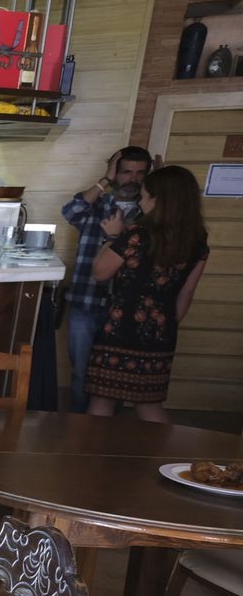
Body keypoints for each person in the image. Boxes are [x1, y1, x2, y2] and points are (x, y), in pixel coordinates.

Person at [84, 164, 208, 422]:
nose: (141, 199)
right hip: (161, 330)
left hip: (120, 327)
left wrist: (112, 237)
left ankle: (90, 456)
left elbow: (100, 272)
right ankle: (164, 459)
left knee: (102, 400)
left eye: (146, 194)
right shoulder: (196, 239)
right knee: (148, 405)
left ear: (159, 199)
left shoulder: (137, 235)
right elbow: (187, 291)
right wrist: (167, 324)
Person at [61, 146, 153, 411]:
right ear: (115, 171)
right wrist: (105, 180)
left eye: (140, 173)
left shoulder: (150, 209)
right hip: (85, 300)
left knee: (116, 377)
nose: (133, 179)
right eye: (126, 172)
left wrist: (159, 184)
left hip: (126, 308)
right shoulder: (98, 203)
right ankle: (78, 428)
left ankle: (105, 433)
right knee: (81, 372)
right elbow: (70, 212)